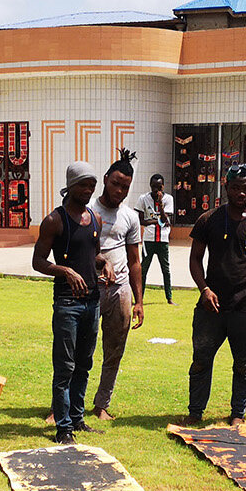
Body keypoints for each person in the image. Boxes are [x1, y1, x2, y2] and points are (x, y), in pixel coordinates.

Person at [180, 163, 246, 427]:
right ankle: (195, 412)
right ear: (225, 187)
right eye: (235, 188)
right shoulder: (208, 219)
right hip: (211, 306)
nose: (241, 193)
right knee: (201, 360)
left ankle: (237, 413)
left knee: (243, 364)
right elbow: (195, 259)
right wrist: (204, 289)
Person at [32, 161, 106, 443]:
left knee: (84, 364)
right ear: (71, 186)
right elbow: (38, 261)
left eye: (92, 185)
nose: (88, 190)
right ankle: (63, 427)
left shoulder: (95, 218)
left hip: (92, 301)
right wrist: (65, 270)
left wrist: (105, 264)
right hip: (67, 303)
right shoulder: (55, 220)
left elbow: (93, 255)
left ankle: (77, 418)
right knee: (65, 367)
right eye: (83, 185)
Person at [86, 150, 144, 420]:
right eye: (116, 184)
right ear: (105, 179)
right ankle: (63, 405)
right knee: (79, 349)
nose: (120, 191)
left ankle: (101, 405)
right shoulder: (87, 210)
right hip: (88, 288)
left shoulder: (130, 217)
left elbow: (135, 261)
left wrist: (139, 301)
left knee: (114, 351)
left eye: (125, 187)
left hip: (119, 289)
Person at [135, 173, 175, 303]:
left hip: (163, 239)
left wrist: (161, 204)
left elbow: (165, 219)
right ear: (150, 186)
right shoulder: (143, 199)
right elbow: (141, 221)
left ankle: (169, 298)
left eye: (158, 187)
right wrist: (158, 221)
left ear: (163, 186)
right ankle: (139, 298)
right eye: (153, 186)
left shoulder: (168, 199)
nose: (155, 190)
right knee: (143, 269)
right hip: (149, 239)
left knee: (166, 269)